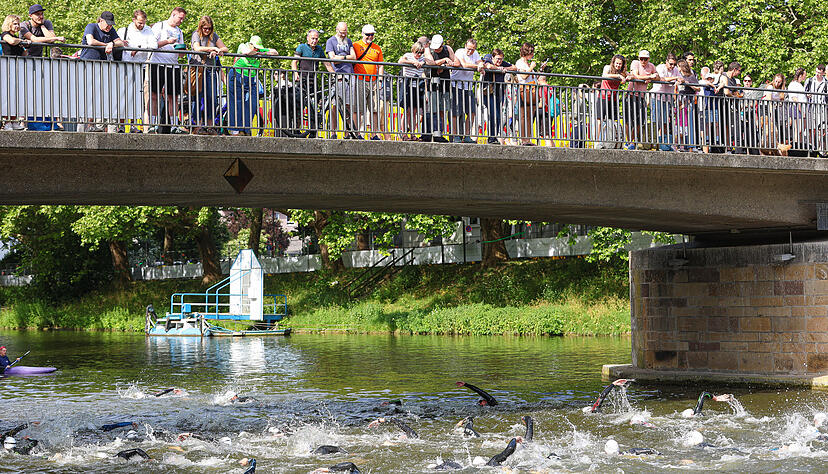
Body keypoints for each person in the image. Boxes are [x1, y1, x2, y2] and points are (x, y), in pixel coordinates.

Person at [227, 35, 278, 135]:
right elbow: (247, 52)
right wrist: (260, 53)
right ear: (250, 44)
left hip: (251, 79)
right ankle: (236, 130)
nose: (256, 49)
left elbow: (275, 52)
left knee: (252, 104)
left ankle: (246, 130)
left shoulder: (259, 49)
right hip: (237, 76)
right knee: (237, 103)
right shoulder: (243, 45)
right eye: (255, 47)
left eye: (258, 47)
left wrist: (261, 51)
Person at [148, 7, 187, 134]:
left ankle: (174, 125)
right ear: (173, 14)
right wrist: (167, 42)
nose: (181, 21)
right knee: (154, 95)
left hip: (173, 66)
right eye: (180, 18)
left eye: (183, 19)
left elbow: (181, 55)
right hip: (157, 64)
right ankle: (152, 125)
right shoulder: (159, 26)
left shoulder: (179, 31)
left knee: (173, 97)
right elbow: (152, 45)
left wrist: (182, 50)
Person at [188, 16, 227, 135]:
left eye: (209, 28)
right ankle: (197, 125)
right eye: (205, 28)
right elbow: (197, 48)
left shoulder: (213, 36)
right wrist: (212, 48)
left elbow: (225, 47)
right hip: (199, 69)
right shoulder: (196, 35)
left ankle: (210, 126)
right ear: (201, 27)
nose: (207, 31)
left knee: (212, 98)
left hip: (210, 70)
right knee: (197, 98)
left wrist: (219, 51)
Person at [325, 22, 358, 139]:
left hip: (350, 74)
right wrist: (345, 57)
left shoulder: (348, 41)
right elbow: (332, 59)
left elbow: (354, 57)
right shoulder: (331, 41)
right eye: (341, 33)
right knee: (334, 105)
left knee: (349, 106)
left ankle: (347, 132)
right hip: (338, 76)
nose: (343, 35)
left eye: (345, 32)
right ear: (336, 30)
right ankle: (333, 132)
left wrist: (342, 57)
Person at [292, 29, 327, 136]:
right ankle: (296, 130)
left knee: (314, 107)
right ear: (308, 38)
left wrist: (334, 73)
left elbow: (327, 63)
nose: (314, 41)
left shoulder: (319, 49)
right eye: (312, 38)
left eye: (316, 39)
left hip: (314, 81)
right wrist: (295, 73)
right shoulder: (302, 47)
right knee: (299, 106)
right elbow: (294, 62)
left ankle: (313, 132)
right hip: (302, 81)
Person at [352, 25, 385, 140]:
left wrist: (380, 80)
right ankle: (358, 133)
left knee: (374, 109)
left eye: (372, 34)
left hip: (374, 81)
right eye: (368, 34)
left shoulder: (377, 48)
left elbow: (381, 65)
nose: (370, 37)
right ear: (362, 34)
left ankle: (374, 134)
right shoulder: (355, 45)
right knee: (359, 109)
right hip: (359, 79)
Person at [451, 38, 483, 143]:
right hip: (456, 85)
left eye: (472, 49)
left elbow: (480, 62)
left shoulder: (476, 53)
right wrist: (477, 66)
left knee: (472, 112)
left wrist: (481, 65)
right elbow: (464, 65)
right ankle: (455, 135)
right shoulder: (459, 52)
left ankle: (467, 135)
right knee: (456, 112)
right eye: (469, 49)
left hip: (468, 86)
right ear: (465, 46)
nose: (470, 51)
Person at [482, 49, 516, 144]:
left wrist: (504, 68)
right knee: (493, 114)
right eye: (497, 59)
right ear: (493, 57)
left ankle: (494, 136)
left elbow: (514, 67)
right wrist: (498, 68)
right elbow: (488, 66)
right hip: (489, 92)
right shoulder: (488, 59)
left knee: (498, 116)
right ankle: (491, 137)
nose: (499, 61)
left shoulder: (502, 63)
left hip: (499, 93)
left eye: (501, 59)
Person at [626, 50, 658, 148]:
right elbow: (635, 76)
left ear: (649, 59)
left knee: (640, 121)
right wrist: (648, 77)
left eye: (645, 59)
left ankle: (633, 142)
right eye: (641, 59)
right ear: (638, 58)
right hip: (631, 94)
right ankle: (628, 141)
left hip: (642, 96)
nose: (643, 61)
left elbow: (657, 77)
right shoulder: (635, 63)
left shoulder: (651, 66)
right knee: (629, 120)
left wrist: (652, 78)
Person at [1, 15, 29, 131]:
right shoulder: (5, 35)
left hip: (16, 68)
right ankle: (7, 122)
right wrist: (22, 41)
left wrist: (26, 47)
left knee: (15, 95)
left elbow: (23, 54)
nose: (18, 26)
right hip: (7, 67)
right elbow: (11, 42)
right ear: (9, 24)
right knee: (7, 95)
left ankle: (13, 120)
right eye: (15, 24)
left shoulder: (17, 38)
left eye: (18, 24)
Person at [596, 54, 627, 149]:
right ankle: (597, 141)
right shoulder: (608, 68)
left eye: (620, 64)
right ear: (613, 63)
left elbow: (630, 76)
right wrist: (618, 76)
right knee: (600, 120)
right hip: (603, 97)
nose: (618, 65)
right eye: (617, 63)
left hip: (613, 99)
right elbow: (604, 75)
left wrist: (627, 77)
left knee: (612, 121)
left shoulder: (622, 72)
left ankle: (611, 141)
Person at [652, 53, 682, 150]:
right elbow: (662, 79)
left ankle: (663, 144)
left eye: (674, 64)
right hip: (657, 97)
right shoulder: (660, 67)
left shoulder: (676, 69)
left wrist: (680, 80)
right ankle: (654, 143)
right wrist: (675, 78)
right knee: (656, 121)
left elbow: (681, 78)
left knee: (665, 122)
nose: (672, 66)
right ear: (666, 62)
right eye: (670, 64)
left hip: (668, 99)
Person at [514, 42, 543, 145]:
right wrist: (531, 67)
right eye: (532, 53)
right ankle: (523, 139)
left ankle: (528, 139)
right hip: (524, 90)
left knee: (530, 116)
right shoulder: (520, 63)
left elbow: (532, 77)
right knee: (523, 116)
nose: (533, 55)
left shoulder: (527, 64)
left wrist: (539, 71)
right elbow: (523, 76)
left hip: (532, 91)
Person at [398, 42, 426, 141]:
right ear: (413, 50)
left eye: (421, 52)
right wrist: (412, 62)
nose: (419, 55)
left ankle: (413, 134)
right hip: (407, 86)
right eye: (417, 52)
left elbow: (429, 62)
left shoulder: (422, 58)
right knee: (407, 111)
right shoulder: (408, 55)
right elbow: (400, 61)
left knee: (414, 112)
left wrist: (423, 63)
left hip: (417, 86)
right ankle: (404, 134)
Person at [676, 59, 700, 151]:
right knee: (680, 125)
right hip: (680, 103)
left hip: (689, 102)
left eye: (678, 66)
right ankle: (680, 146)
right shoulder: (678, 76)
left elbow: (698, 88)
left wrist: (688, 84)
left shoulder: (691, 76)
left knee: (689, 124)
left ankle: (690, 146)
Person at [804, 65, 828, 153]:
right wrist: (807, 95)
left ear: (823, 73)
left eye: (820, 73)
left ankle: (821, 150)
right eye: (817, 72)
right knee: (811, 129)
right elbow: (804, 92)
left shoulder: (826, 82)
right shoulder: (810, 80)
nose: (817, 74)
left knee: (822, 129)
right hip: (811, 108)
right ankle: (811, 149)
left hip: (822, 109)